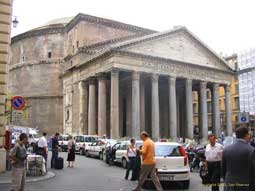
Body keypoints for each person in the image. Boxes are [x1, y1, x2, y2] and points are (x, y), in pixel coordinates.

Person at [222, 127, 255, 191]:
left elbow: (223, 168)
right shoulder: (251, 150)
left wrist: (226, 180)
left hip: (229, 184)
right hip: (246, 185)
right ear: (246, 135)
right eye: (249, 134)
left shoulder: (226, 149)